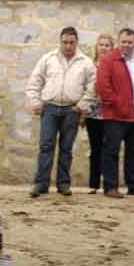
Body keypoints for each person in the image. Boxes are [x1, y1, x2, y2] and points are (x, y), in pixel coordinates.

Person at [25, 27, 96, 197]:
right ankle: (41, 184)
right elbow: (34, 82)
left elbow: (93, 87)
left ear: (76, 42)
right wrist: (35, 102)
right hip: (49, 108)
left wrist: (81, 106)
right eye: (65, 42)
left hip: (71, 110)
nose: (68, 46)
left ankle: (63, 184)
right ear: (60, 41)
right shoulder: (48, 59)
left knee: (66, 148)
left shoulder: (85, 62)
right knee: (46, 146)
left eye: (72, 42)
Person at [96, 27, 134, 198]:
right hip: (115, 114)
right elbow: (103, 86)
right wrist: (116, 103)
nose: (126, 45)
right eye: (123, 42)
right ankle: (110, 187)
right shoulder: (109, 60)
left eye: (130, 42)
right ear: (118, 42)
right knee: (112, 150)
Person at [84, 34, 115, 193]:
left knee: (109, 149)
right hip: (92, 113)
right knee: (95, 148)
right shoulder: (89, 66)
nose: (103, 48)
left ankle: (109, 183)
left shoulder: (115, 66)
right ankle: (94, 184)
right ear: (96, 47)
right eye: (101, 45)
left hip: (110, 113)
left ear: (112, 47)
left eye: (107, 45)